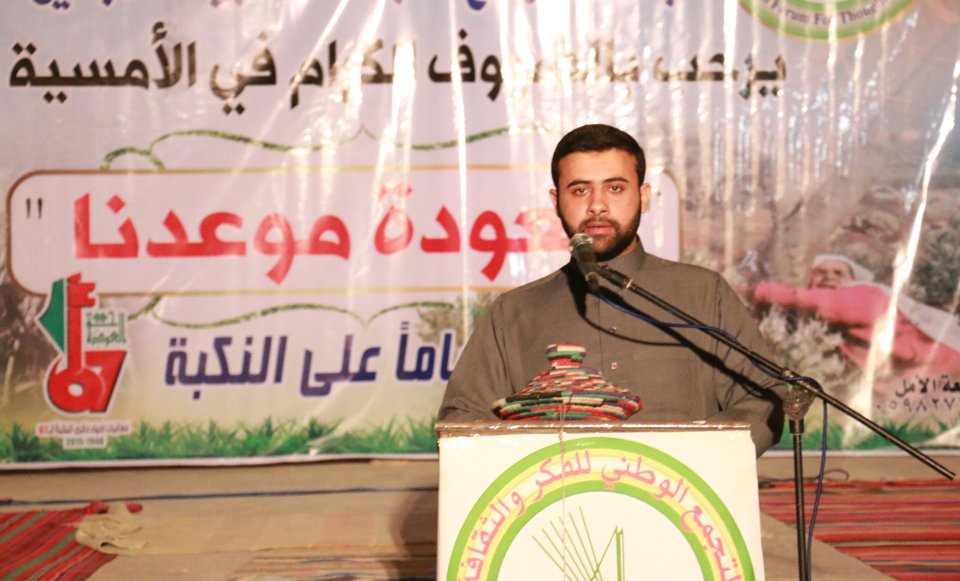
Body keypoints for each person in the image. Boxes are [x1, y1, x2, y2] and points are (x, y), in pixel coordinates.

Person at [438, 124, 786, 455]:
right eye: (580, 190)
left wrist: (686, 464)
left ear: (643, 196)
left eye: (615, 188)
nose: (597, 205)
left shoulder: (703, 293)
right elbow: (462, 423)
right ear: (556, 201)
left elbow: (761, 402)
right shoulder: (513, 313)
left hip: (683, 493)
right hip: (556, 495)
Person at [753, 254, 960, 381]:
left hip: (942, 369)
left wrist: (756, 291)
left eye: (838, 273)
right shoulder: (824, 321)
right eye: (820, 272)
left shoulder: (865, 294)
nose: (829, 277)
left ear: (853, 280)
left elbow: (816, 302)